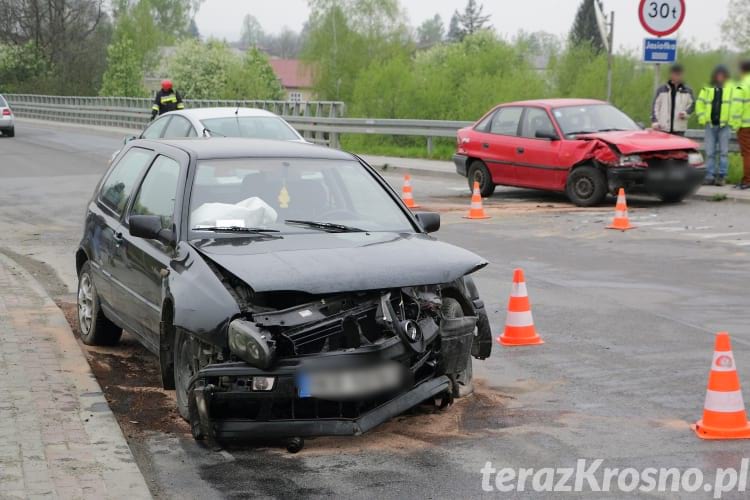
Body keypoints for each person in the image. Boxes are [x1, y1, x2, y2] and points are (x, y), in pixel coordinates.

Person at [696, 65, 732, 186]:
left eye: (722, 75)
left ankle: (722, 176)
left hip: (724, 126)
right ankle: (709, 176)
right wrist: (702, 118)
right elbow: (699, 104)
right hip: (710, 125)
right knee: (710, 152)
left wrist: (731, 121)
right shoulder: (707, 88)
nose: (720, 77)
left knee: (723, 153)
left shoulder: (731, 89)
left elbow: (735, 106)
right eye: (718, 74)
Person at [651, 64, 695, 136]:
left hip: (679, 128)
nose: (677, 76)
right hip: (663, 128)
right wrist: (655, 121)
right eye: (675, 74)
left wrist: (685, 113)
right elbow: (655, 106)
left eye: (679, 74)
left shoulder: (687, 90)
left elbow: (692, 105)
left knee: (679, 147)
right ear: (671, 75)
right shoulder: (662, 89)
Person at [731, 60, 750, 189]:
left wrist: (735, 125)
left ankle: (747, 180)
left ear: (741, 70)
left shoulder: (742, 85)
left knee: (747, 153)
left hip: (745, 125)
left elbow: (737, 108)